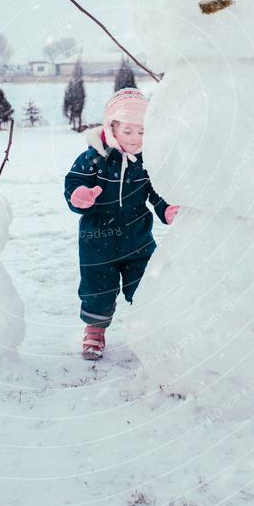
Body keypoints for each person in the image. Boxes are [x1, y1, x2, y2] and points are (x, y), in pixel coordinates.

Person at [64, 88, 178, 359]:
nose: (135, 139)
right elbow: (73, 183)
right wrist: (80, 196)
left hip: (138, 237)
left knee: (147, 284)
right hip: (97, 239)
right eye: (128, 132)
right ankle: (95, 331)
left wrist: (167, 209)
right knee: (98, 288)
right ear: (111, 127)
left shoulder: (148, 161)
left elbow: (157, 192)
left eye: (142, 132)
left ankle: (149, 328)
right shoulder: (94, 157)